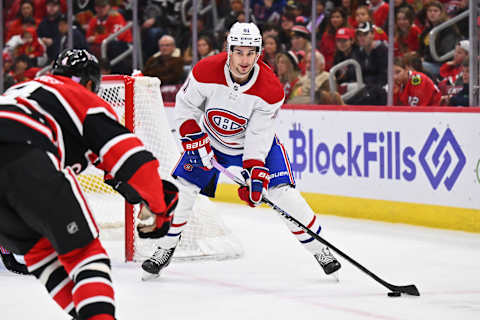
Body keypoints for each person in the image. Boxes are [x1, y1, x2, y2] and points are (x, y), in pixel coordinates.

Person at [140, 22, 341, 280]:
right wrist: (193, 136)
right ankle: (164, 249)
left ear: (258, 53)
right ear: (229, 50)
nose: (245, 60)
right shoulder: (205, 70)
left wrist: (256, 172)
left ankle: (320, 249)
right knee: (184, 191)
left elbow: (259, 135)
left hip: (254, 145)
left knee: (284, 194)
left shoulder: (270, 89)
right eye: (239, 52)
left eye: (251, 53)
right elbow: (185, 106)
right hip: (209, 141)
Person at [0, 49, 178, 320]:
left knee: (44, 256)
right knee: (85, 257)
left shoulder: (26, 89)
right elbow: (131, 157)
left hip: (15, 177)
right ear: (90, 83)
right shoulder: (81, 98)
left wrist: (141, 195)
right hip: (21, 153)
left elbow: (114, 173)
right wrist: (159, 205)